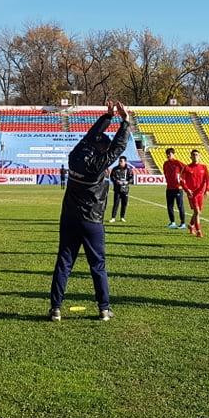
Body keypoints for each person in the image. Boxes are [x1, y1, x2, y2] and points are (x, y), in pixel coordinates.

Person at [49, 101, 130, 322]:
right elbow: (117, 148)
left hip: (69, 218)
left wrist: (107, 117)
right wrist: (125, 121)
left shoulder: (74, 156)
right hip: (91, 220)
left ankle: (55, 308)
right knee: (97, 265)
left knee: (64, 263)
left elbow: (90, 135)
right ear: (101, 150)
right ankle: (104, 308)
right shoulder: (98, 165)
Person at [180, 149, 209, 237]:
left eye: (197, 154)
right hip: (192, 194)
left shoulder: (204, 167)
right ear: (191, 157)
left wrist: (208, 190)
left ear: (199, 156)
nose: (195, 156)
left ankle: (191, 225)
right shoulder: (187, 167)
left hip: (200, 194)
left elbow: (208, 179)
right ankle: (198, 231)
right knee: (197, 211)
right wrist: (187, 190)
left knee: (197, 212)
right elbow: (181, 180)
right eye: (193, 155)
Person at [162, 148, 187, 229]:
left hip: (178, 188)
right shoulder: (165, 164)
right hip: (169, 188)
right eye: (167, 153)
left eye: (170, 153)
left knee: (180, 206)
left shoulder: (177, 163)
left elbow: (187, 169)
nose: (168, 155)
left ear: (173, 154)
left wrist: (181, 179)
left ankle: (183, 223)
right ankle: (172, 222)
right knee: (169, 206)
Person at [109, 156, 134, 222]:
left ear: (125, 162)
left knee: (124, 204)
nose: (120, 162)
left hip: (125, 189)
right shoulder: (115, 169)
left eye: (121, 161)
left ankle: (122, 217)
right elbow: (112, 177)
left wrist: (127, 182)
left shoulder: (129, 169)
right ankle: (113, 217)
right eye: (119, 161)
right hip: (117, 189)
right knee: (116, 203)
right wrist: (116, 181)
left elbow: (131, 178)